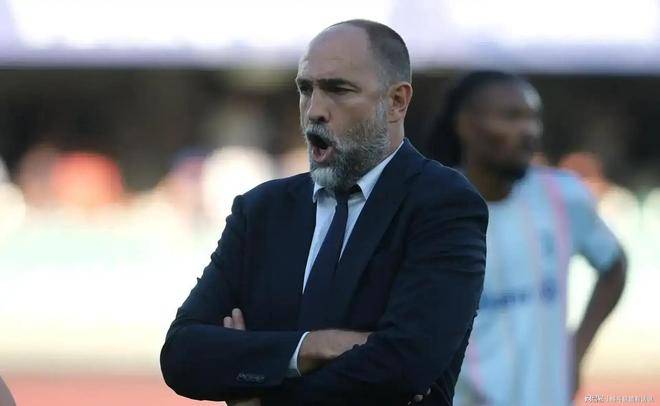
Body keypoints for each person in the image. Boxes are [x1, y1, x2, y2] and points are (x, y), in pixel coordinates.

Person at [160, 20, 488, 406]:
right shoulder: (261, 210)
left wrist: (257, 382)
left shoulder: (444, 204)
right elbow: (182, 354)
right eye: (306, 89)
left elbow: (405, 366)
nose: (314, 110)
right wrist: (313, 346)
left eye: (338, 90)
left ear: (397, 102)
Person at [428, 71, 627, 406]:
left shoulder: (563, 196)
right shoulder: (430, 209)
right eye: (511, 117)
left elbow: (614, 266)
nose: (529, 131)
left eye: (534, 118)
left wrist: (576, 349)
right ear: (465, 125)